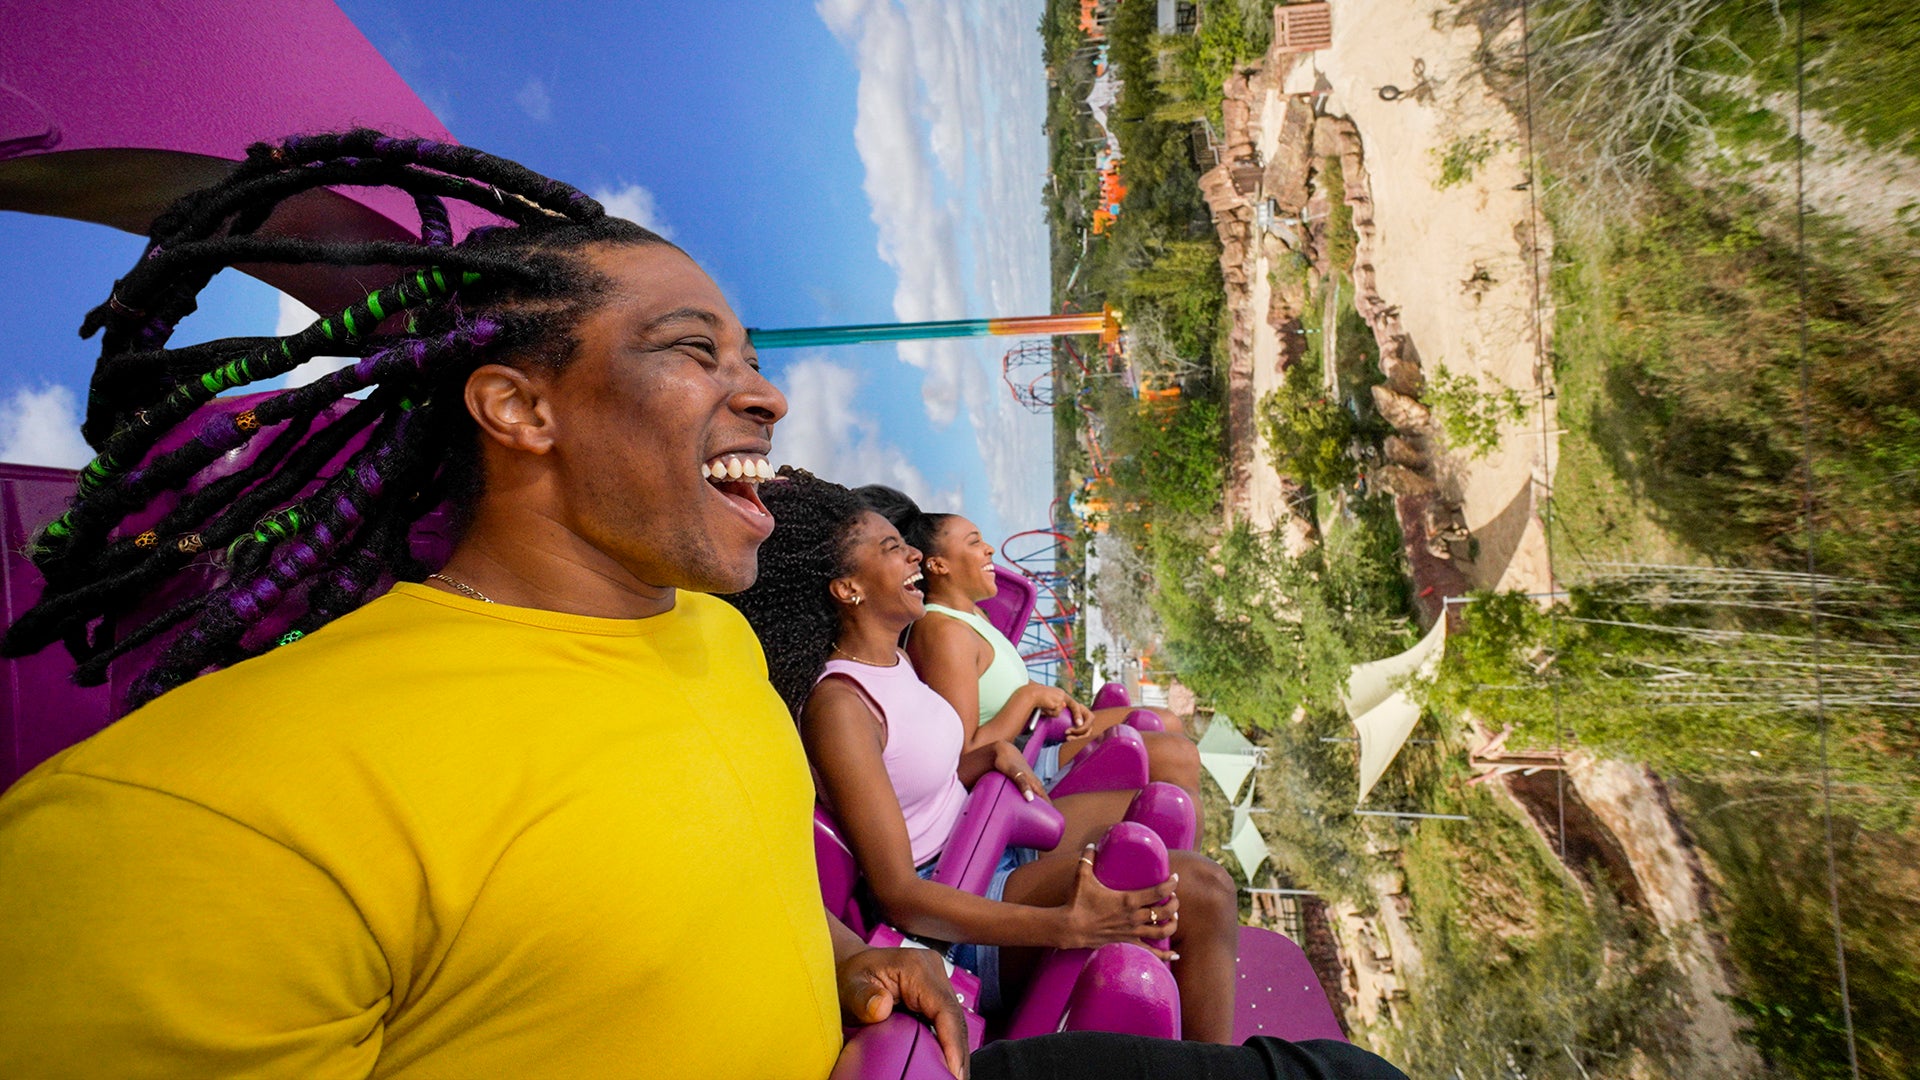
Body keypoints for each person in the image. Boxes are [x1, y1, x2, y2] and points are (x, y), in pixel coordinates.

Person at [0, 130, 1408, 1080]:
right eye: (692, 350)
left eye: (752, 352)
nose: (769, 391)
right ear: (518, 407)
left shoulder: (707, 647)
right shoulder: (209, 816)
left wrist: (850, 955)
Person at [726, 469, 1241, 1042]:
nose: (915, 556)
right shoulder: (840, 707)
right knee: (1203, 890)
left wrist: (992, 755)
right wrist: (1065, 925)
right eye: (893, 548)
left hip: (987, 834)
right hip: (956, 899)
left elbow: (916, 776)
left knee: (1161, 809)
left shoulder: (893, 661)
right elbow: (901, 894)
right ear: (849, 589)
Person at [856, 485, 1200, 803]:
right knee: (1175, 757)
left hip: (1042, 734)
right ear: (938, 564)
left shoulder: (975, 615)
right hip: (1021, 765)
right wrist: (1029, 696)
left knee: (1168, 723)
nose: (988, 548)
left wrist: (1054, 695)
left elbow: (996, 688)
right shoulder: (944, 631)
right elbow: (966, 752)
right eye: (974, 542)